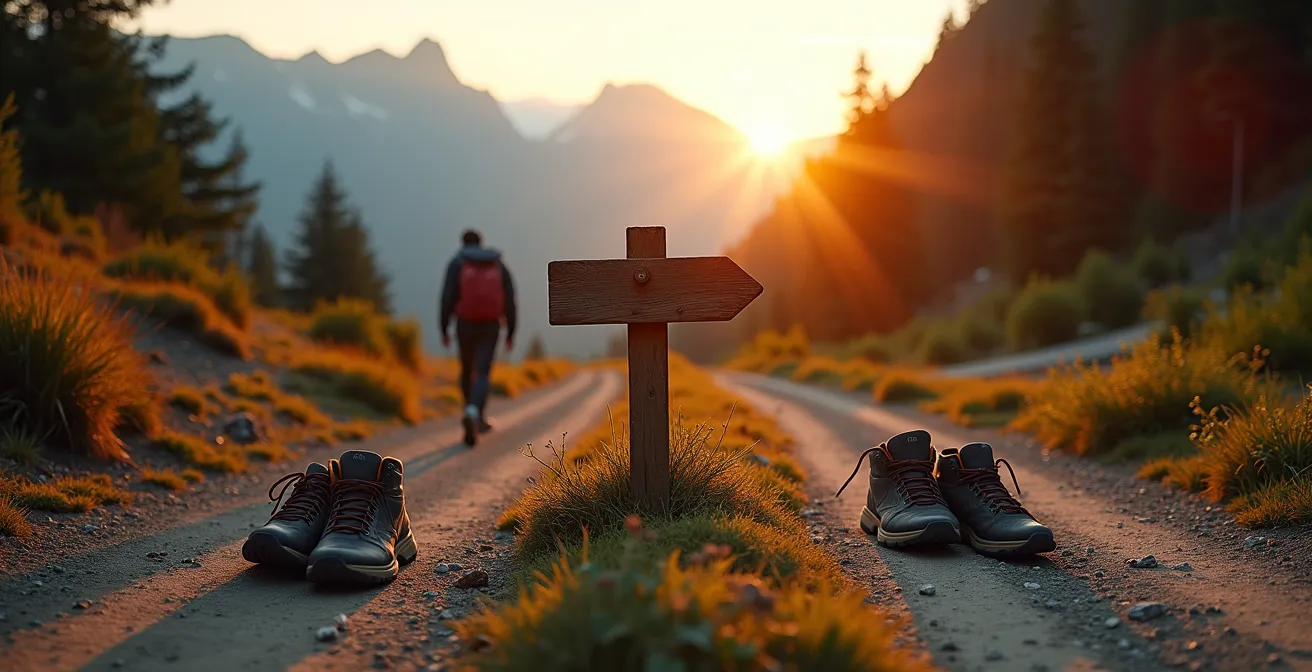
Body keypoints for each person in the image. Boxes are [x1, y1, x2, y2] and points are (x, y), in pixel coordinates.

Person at [440, 229, 516, 447]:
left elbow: (447, 296)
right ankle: (477, 415)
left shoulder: (458, 263)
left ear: (463, 243)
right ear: (481, 243)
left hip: (464, 324)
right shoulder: (497, 263)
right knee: (482, 371)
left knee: (466, 369)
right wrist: (511, 331)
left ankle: (469, 411)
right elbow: (510, 299)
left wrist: (444, 328)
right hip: (491, 325)